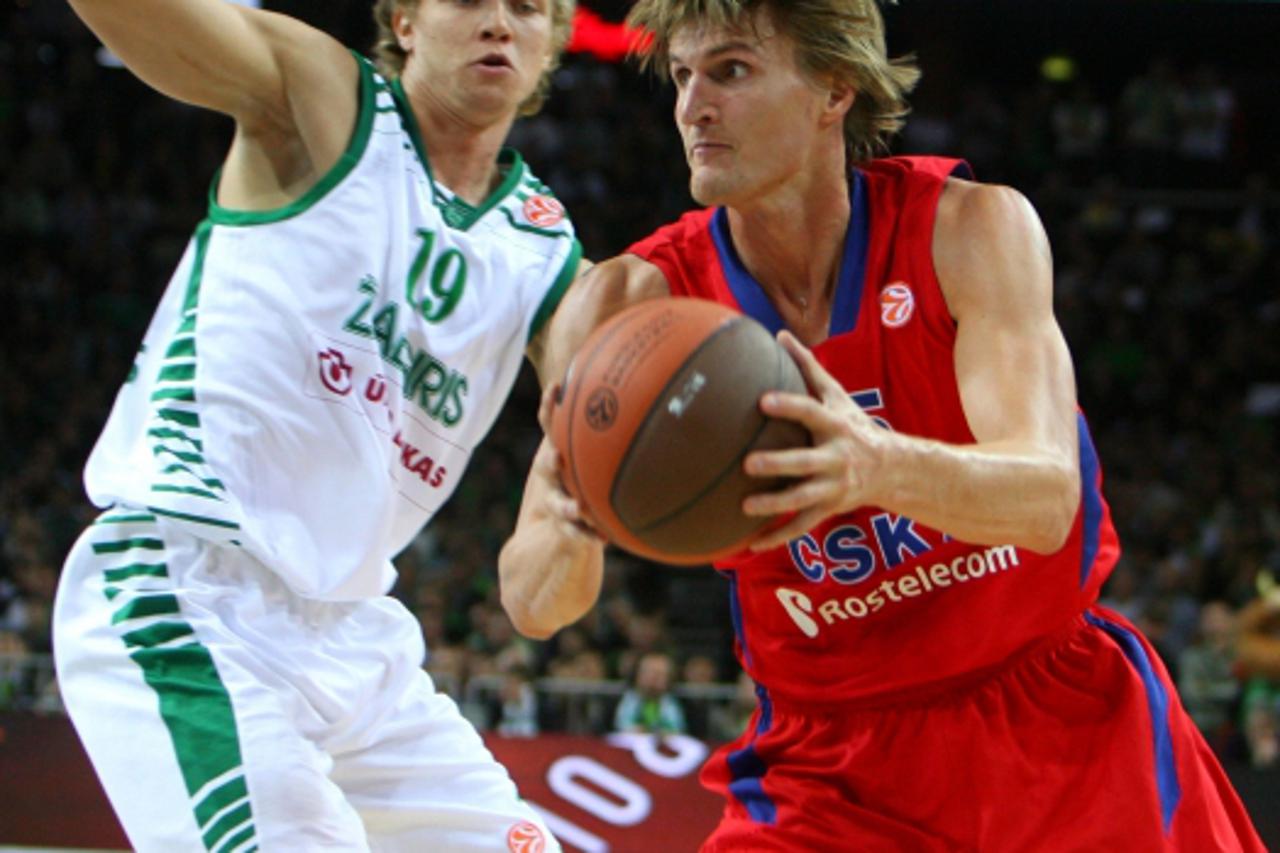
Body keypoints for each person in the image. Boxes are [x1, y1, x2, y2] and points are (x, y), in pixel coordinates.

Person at [497, 0, 1266, 848]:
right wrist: (576, 511)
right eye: (682, 76)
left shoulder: (969, 230)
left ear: (835, 87)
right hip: (830, 765)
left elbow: (1048, 500)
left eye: (731, 71)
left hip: (1056, 722)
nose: (693, 106)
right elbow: (533, 604)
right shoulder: (635, 304)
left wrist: (877, 466)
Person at [53, 0, 584, 849]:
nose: (499, 22)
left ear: (554, 38)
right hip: (192, 587)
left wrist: (585, 498)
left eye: (527, 7)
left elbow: (545, 600)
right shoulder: (324, 102)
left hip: (360, 637)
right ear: (405, 19)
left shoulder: (547, 257)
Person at [612, 650, 688, 735]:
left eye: (661, 674)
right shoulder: (620, 698)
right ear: (637, 675)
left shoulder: (675, 702)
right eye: (649, 673)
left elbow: (677, 728)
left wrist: (663, 732)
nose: (654, 679)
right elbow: (622, 725)